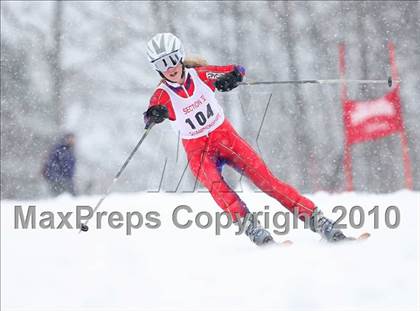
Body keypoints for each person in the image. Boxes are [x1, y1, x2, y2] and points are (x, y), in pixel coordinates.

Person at [143, 33, 348, 246]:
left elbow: (237, 69)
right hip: (198, 151)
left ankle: (319, 220)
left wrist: (233, 78)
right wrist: (154, 116)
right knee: (218, 188)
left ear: (180, 56)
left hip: (225, 138)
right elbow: (148, 115)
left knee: (268, 182)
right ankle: (252, 228)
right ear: (155, 68)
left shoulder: (201, 75)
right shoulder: (162, 95)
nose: (169, 67)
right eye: (161, 64)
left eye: (172, 59)